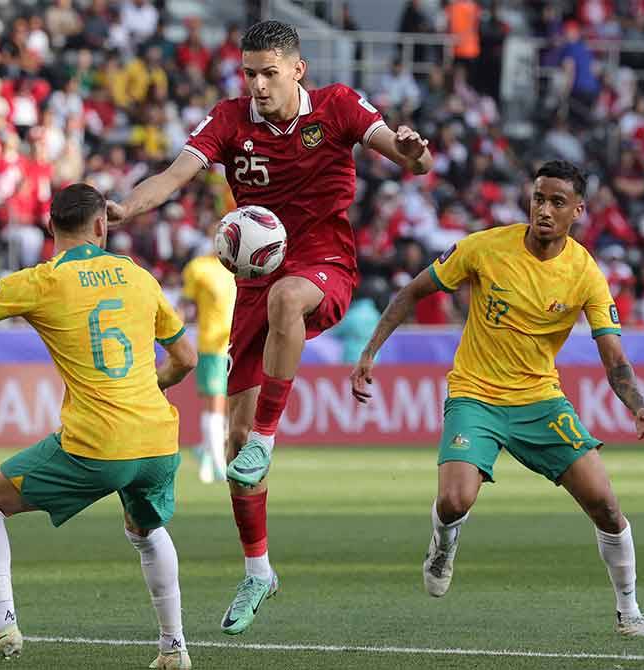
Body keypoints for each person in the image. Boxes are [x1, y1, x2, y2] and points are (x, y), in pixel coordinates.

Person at [107, 19, 433, 635]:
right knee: (232, 444)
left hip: (325, 265)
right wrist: (125, 206)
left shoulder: (337, 106)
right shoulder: (230, 119)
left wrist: (413, 151)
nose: (257, 85)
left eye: (269, 73)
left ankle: (268, 436)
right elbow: (174, 176)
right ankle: (258, 570)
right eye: (249, 73)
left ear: (297, 70)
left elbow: (408, 156)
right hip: (254, 284)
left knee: (286, 307)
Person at [350, 160, 644, 639]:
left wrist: (637, 404)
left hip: (540, 400)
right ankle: (443, 543)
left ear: (578, 210)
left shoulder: (585, 273)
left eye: (557, 202)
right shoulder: (485, 247)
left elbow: (615, 359)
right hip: (475, 394)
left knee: (604, 503)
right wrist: (369, 352)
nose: (544, 210)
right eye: (539, 198)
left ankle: (630, 612)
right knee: (454, 500)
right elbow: (412, 291)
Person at [0, 183, 197, 669]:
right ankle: (174, 648)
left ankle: (1, 622)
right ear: (102, 225)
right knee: (146, 530)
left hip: (98, 443)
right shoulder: (139, 276)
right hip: (157, 440)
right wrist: (147, 389)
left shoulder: (42, 280)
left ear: (50, 227)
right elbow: (186, 358)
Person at [181, 232, 237, 483]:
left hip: (235, 345)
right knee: (214, 403)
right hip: (212, 345)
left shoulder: (236, 269)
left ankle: (205, 451)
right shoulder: (199, 268)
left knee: (229, 407)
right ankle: (218, 464)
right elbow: (185, 304)